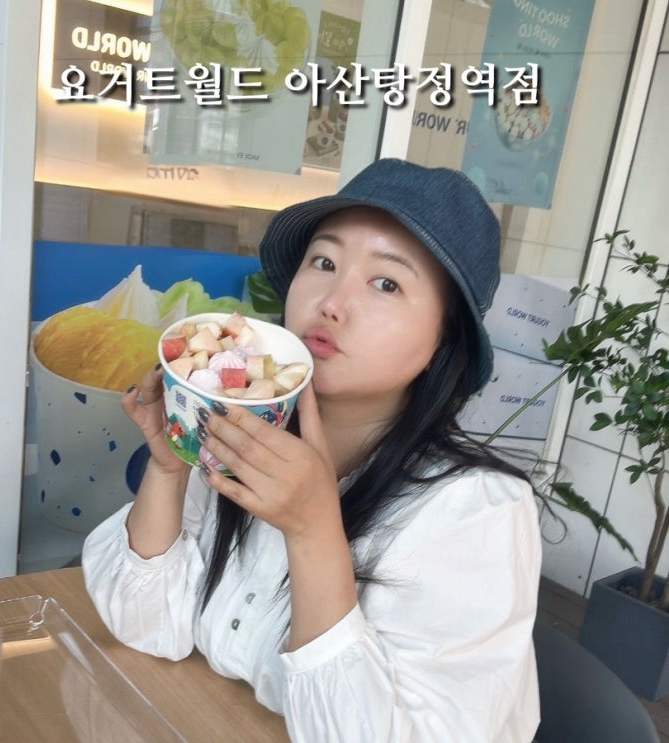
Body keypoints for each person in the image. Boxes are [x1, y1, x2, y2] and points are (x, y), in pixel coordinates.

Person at [82, 158, 542, 742]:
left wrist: (313, 529)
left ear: (443, 338)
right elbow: (143, 626)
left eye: (387, 283)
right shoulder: (247, 434)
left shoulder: (478, 513)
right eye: (324, 262)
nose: (332, 303)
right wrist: (171, 468)